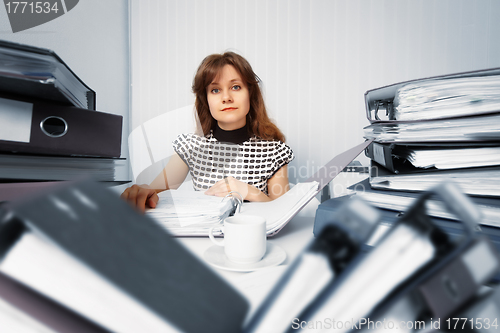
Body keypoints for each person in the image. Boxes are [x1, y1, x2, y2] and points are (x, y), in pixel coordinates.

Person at [121, 51, 294, 212]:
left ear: (251, 94)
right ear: (206, 101)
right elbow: (154, 191)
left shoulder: (274, 151)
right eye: (215, 90)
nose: (226, 98)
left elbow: (283, 211)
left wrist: (245, 190)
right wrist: (143, 191)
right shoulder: (191, 146)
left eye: (235, 87)